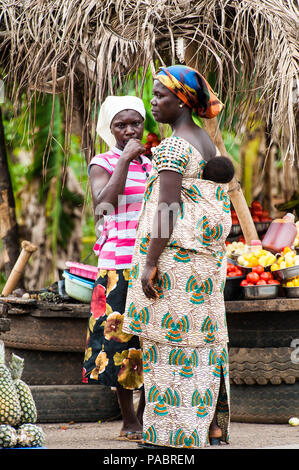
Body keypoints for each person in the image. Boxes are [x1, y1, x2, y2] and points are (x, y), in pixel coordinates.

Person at [122, 65, 232, 449]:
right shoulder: (206, 142)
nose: (153, 103)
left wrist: (150, 262)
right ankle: (210, 428)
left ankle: (174, 435)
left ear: (182, 101)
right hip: (202, 266)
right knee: (201, 342)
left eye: (161, 97)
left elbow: (167, 209)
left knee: (168, 346)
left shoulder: (172, 146)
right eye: (153, 95)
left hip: (175, 264)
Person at [82, 95, 152, 442]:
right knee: (119, 344)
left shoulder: (153, 165)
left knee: (150, 342)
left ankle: (144, 416)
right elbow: (103, 204)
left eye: (134, 123)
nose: (129, 130)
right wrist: (124, 159)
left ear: (144, 124)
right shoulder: (103, 161)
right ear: (109, 130)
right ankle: (129, 420)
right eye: (120, 125)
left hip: (150, 266)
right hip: (118, 268)